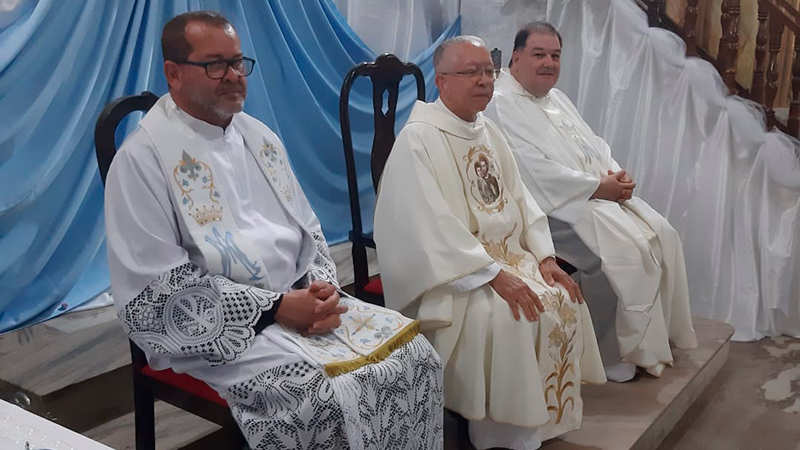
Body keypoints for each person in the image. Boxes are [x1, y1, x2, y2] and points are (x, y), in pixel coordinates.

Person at [104, 11, 442, 449]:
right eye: (215, 64)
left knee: (417, 356)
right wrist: (275, 308)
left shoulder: (258, 136)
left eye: (238, 62)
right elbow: (158, 292)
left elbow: (307, 228)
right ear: (173, 73)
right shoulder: (142, 160)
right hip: (219, 332)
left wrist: (319, 290)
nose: (233, 76)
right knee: (319, 396)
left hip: (299, 303)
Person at [374, 35, 605, 450]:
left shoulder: (488, 131)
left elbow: (523, 200)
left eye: (488, 71)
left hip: (510, 258)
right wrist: (493, 275)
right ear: (442, 81)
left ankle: (545, 422)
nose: (483, 81)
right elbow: (428, 228)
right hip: (455, 276)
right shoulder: (419, 139)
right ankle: (503, 432)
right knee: (513, 314)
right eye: (470, 72)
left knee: (563, 294)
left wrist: (546, 258)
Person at [484, 22, 697, 382]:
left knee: (663, 233)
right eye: (539, 54)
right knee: (626, 252)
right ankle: (611, 351)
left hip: (591, 197)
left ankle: (654, 339)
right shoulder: (501, 104)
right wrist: (600, 187)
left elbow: (595, 144)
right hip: (550, 211)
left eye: (555, 55)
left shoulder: (556, 98)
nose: (549, 63)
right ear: (517, 57)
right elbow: (532, 173)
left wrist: (616, 175)